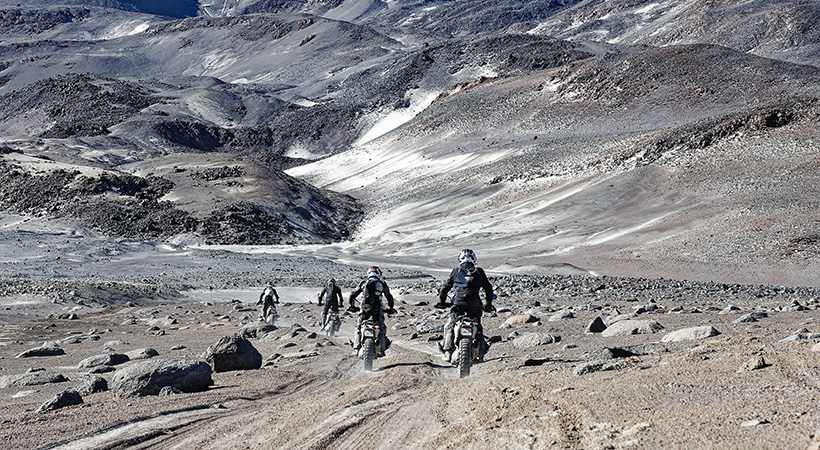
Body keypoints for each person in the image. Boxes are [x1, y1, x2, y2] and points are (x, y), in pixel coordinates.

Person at [435, 249, 495, 362]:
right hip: (475, 305)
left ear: (460, 259)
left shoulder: (456, 271)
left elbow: (444, 288)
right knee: (478, 326)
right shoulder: (479, 272)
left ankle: (448, 352)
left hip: (458, 304)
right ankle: (481, 352)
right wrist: (488, 304)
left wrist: (441, 302)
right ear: (474, 259)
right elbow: (488, 289)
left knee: (450, 325)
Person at [348, 266, 396, 356]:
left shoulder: (363, 283)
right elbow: (389, 296)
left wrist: (352, 306)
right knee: (382, 328)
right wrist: (391, 308)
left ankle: (356, 349)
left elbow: (352, 295)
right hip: (378, 310)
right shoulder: (382, 283)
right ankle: (381, 350)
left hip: (364, 309)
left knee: (358, 327)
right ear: (379, 274)